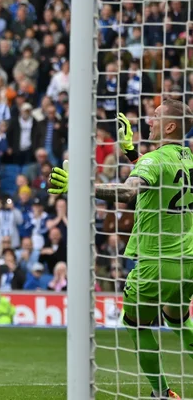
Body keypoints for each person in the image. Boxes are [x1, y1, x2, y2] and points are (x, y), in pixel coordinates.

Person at [49, 99, 193, 400]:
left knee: (135, 322)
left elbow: (130, 191)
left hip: (157, 260)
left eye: (155, 117)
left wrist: (80, 185)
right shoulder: (188, 157)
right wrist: (131, 153)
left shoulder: (153, 161)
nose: (148, 122)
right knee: (177, 317)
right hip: (188, 260)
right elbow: (162, 179)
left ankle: (161, 392)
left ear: (170, 126)